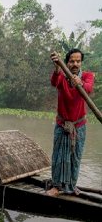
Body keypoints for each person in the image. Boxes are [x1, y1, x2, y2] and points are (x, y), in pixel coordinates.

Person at [46, 49, 95, 197]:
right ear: (67, 62)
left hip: (79, 126)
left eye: (78, 61)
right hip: (62, 124)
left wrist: (80, 83)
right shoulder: (61, 76)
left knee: (75, 157)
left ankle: (71, 186)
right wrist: (57, 67)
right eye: (72, 61)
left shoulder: (87, 76)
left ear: (81, 62)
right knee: (58, 156)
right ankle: (56, 186)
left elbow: (89, 88)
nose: (75, 64)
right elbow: (54, 82)